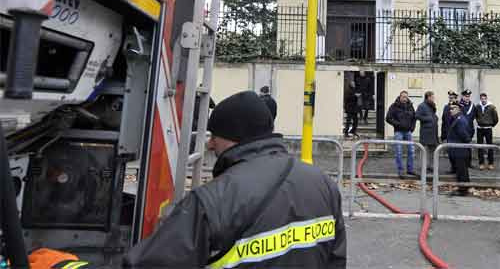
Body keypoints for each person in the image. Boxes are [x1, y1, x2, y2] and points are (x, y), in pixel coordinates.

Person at [124, 91, 347, 268]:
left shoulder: (211, 200)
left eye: (214, 136)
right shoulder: (323, 183)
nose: (210, 145)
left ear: (234, 137)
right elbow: (336, 258)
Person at [386, 90, 417, 177]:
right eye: (403, 97)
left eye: (406, 97)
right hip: (398, 132)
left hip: (408, 132)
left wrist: (412, 127)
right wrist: (398, 124)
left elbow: (414, 117)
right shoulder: (394, 106)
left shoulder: (410, 106)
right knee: (398, 151)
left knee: (411, 150)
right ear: (400, 97)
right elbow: (388, 118)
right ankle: (401, 170)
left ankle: (410, 169)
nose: (405, 98)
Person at [447, 103, 472, 196]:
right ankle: (462, 188)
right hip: (456, 150)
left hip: (460, 150)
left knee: (462, 171)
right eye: (450, 108)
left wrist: (466, 142)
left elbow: (464, 135)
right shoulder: (456, 119)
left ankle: (463, 190)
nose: (451, 110)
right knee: (460, 170)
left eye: (453, 108)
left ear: (459, 109)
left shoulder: (460, 120)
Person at [415, 91, 439, 173]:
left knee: (433, 150)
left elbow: (433, 115)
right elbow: (417, 116)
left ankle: (431, 166)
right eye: (432, 97)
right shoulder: (422, 106)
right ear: (428, 97)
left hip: (433, 132)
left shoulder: (432, 105)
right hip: (425, 131)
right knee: (424, 150)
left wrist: (435, 118)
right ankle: (423, 166)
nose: (433, 98)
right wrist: (428, 119)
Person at [475, 92, 499, 170]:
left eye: (484, 99)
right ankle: (481, 163)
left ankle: (490, 163)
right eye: (482, 99)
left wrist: (491, 125)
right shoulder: (477, 106)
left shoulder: (491, 107)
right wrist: (479, 121)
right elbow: (476, 116)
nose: (483, 100)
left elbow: (496, 118)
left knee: (490, 146)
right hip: (479, 129)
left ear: (486, 98)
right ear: (480, 99)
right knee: (480, 146)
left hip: (488, 129)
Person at [441, 90, 459, 173]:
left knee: (456, 152)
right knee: (450, 152)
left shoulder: (459, 107)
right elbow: (444, 122)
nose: (450, 99)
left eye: (452, 98)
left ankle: (457, 168)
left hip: (456, 134)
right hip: (448, 133)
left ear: (456, 98)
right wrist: (443, 135)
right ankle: (453, 168)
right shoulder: (446, 107)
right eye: (450, 98)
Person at [460, 89, 476, 168]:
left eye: (468, 96)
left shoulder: (472, 106)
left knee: (468, 147)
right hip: (461, 130)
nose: (467, 98)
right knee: (461, 148)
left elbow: (476, 116)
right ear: (462, 96)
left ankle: (468, 163)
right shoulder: (459, 105)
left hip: (469, 130)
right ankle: (461, 163)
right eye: (466, 96)